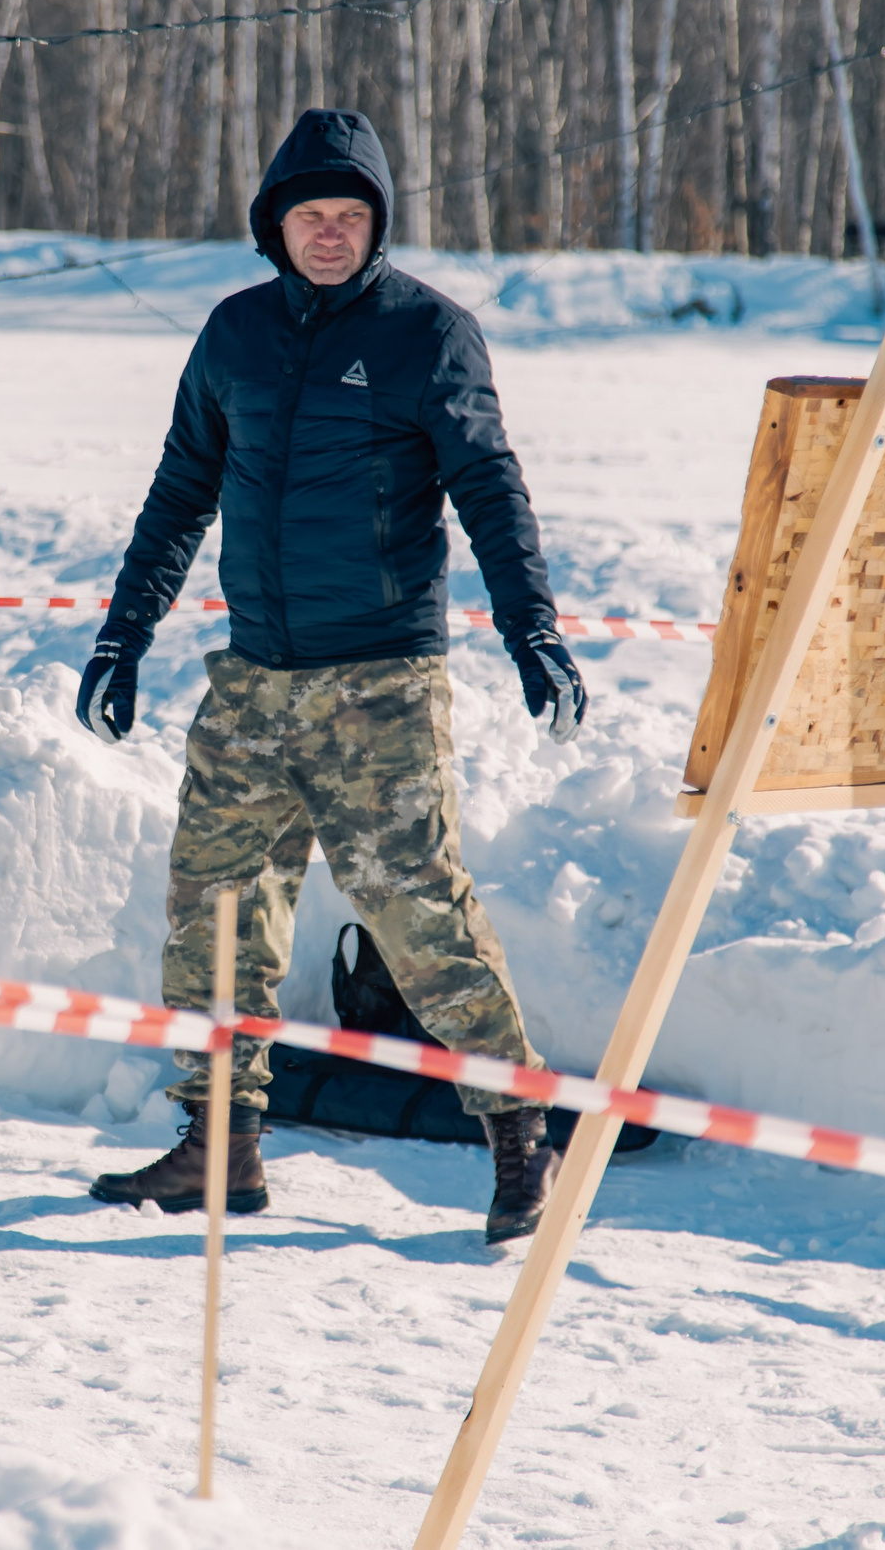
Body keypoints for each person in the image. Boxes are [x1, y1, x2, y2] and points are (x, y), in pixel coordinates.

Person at [76, 109, 588, 1245]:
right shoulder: (234, 335)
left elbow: (490, 489)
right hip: (254, 678)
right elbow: (178, 494)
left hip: (382, 684)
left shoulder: (428, 335)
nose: (330, 234)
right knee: (213, 918)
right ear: (274, 223)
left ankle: (518, 1139)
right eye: (311, 215)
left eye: (351, 216)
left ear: (377, 227)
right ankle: (221, 1144)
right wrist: (124, 635)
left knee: (418, 914)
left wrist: (530, 629)